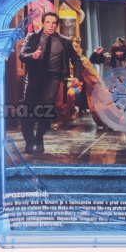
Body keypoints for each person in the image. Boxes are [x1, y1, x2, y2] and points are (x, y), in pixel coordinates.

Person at [19, 12, 84, 154]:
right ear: (43, 23)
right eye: (48, 22)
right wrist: (33, 56)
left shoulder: (64, 41)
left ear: (57, 25)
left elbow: (76, 59)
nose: (51, 25)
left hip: (53, 78)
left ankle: (39, 137)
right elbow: (22, 55)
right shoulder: (32, 37)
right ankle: (29, 140)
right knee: (28, 109)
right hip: (34, 77)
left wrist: (77, 76)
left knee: (46, 108)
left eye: (54, 23)